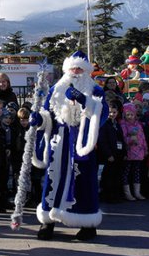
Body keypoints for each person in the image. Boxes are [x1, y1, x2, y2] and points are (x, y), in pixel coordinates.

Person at [29, 51, 107, 241]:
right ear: (66, 69)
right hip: (60, 143)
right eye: (73, 68)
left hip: (81, 143)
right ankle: (48, 222)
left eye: (80, 68)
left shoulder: (95, 90)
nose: (76, 71)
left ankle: (87, 225)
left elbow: (101, 114)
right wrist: (39, 119)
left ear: (86, 70)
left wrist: (84, 101)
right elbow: (48, 114)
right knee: (53, 182)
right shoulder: (56, 89)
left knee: (83, 184)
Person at [98, 102, 125, 203]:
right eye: (110, 112)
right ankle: (107, 195)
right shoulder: (104, 124)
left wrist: (124, 152)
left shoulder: (117, 124)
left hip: (118, 153)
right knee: (108, 176)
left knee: (116, 175)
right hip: (109, 155)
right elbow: (102, 141)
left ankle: (115, 195)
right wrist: (108, 154)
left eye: (114, 112)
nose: (112, 114)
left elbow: (121, 139)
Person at [120, 103, 147, 201]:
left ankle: (137, 192)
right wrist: (130, 140)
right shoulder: (123, 124)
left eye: (132, 114)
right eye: (128, 114)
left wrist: (145, 148)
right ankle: (127, 193)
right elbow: (123, 138)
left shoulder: (138, 124)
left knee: (137, 172)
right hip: (129, 152)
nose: (130, 117)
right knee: (126, 172)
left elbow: (143, 137)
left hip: (138, 152)